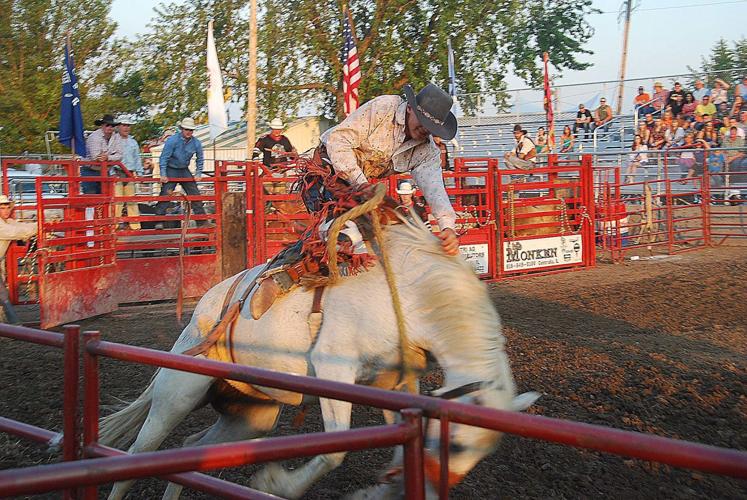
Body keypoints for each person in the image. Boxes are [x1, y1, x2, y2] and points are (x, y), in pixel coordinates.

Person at [250, 82, 460, 318]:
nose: (427, 131)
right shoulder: (385, 108)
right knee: (344, 231)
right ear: (411, 109)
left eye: (432, 128)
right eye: (425, 123)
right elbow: (339, 142)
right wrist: (362, 186)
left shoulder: (426, 151)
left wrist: (448, 227)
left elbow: (435, 189)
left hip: (362, 189)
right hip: (326, 174)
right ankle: (280, 278)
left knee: (392, 231)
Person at [155, 117, 210, 229]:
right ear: (182, 129)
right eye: (186, 129)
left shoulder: (196, 143)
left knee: (194, 193)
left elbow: (200, 158)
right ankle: (159, 220)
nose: (189, 132)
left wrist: (198, 173)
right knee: (166, 193)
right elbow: (164, 158)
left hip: (184, 169)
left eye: (191, 130)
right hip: (172, 169)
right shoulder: (172, 141)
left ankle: (201, 221)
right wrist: (163, 173)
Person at [0, 195, 37, 324]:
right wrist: (40, 226)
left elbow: (22, 227)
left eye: (7, 207)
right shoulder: (2, 225)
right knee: (2, 294)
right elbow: (18, 232)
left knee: (2, 293)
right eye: (2, 208)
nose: (5, 211)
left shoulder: (8, 222)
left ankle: (11, 325)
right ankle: (14, 324)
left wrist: (39, 224)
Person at [113, 118, 143, 230]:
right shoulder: (114, 140)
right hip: (117, 171)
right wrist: (111, 172)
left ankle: (135, 225)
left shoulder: (133, 142)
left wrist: (139, 173)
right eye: (124, 125)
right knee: (117, 201)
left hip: (129, 173)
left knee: (131, 200)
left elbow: (137, 158)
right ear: (118, 126)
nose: (126, 128)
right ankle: (114, 225)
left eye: (128, 126)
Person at [82, 114, 123, 194]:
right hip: (90, 170)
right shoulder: (94, 137)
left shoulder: (116, 137)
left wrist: (107, 157)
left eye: (112, 125)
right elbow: (96, 157)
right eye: (107, 125)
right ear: (102, 126)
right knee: (91, 197)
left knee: (105, 197)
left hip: (105, 170)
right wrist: (112, 157)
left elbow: (120, 155)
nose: (110, 127)